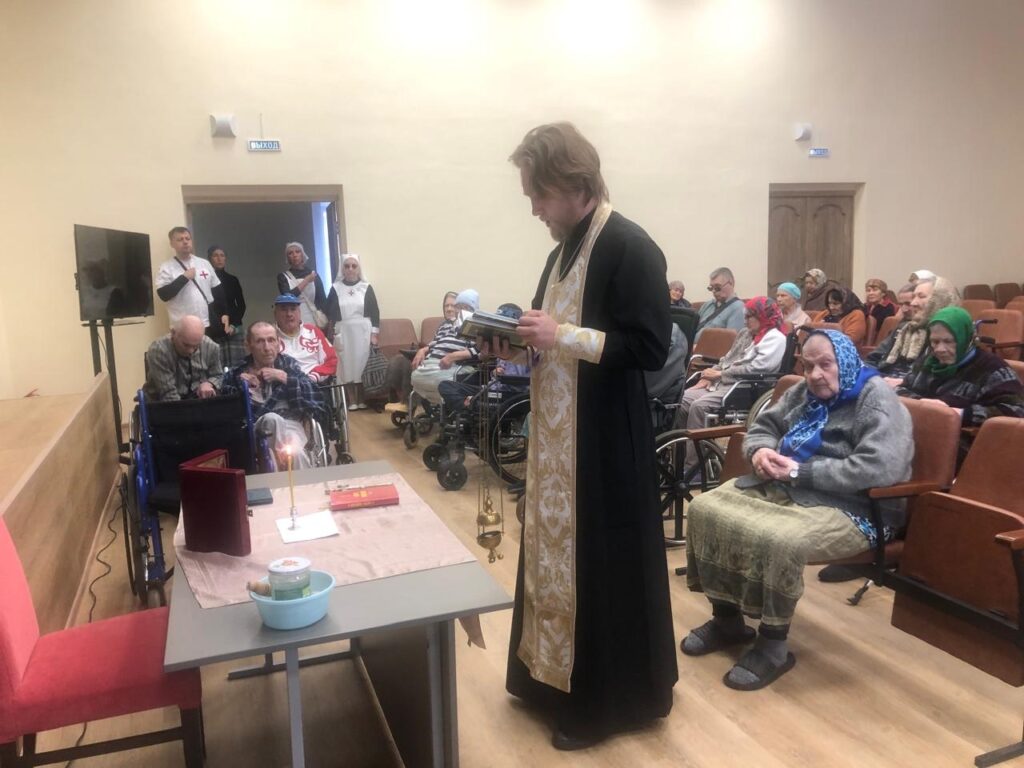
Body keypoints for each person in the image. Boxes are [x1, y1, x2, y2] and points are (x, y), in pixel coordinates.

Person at [500, 122, 676, 750]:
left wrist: (562, 337)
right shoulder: (561, 252)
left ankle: (605, 702)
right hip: (558, 442)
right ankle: (548, 681)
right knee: (553, 561)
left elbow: (651, 348)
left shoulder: (630, 245)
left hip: (604, 446)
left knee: (600, 568)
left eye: (538, 194)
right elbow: (545, 333)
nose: (534, 208)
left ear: (573, 184)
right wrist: (515, 345)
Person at [682, 330, 913, 689]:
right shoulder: (804, 391)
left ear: (846, 361)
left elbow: (880, 468)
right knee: (705, 510)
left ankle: (773, 645)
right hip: (789, 486)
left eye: (826, 364)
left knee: (781, 540)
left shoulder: (876, 398)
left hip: (858, 507)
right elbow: (764, 426)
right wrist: (760, 450)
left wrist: (798, 471)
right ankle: (727, 620)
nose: (815, 375)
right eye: (808, 366)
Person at [898, 306, 1024, 462]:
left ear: (966, 339)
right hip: (920, 433)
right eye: (935, 342)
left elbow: (1016, 410)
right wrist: (924, 405)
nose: (940, 349)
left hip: (967, 446)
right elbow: (901, 389)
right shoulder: (929, 362)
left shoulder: (992, 369)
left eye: (949, 341)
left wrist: (959, 413)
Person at [673, 297, 788, 442]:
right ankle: (681, 448)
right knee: (682, 399)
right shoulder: (746, 333)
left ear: (762, 316)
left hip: (744, 387)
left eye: (749, 317)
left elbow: (757, 369)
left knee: (698, 407)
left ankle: (695, 455)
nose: (745, 321)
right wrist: (708, 376)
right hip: (723, 382)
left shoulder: (775, 338)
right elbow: (726, 359)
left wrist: (720, 374)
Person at [221, 322, 324, 468]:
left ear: (278, 343)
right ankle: (282, 466)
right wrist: (243, 388)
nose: (267, 347)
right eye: (259, 341)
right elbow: (226, 410)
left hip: (291, 426)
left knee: (296, 453)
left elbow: (315, 396)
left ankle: (287, 474)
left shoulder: (289, 365)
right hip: (255, 430)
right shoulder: (237, 373)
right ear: (248, 346)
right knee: (272, 419)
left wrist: (285, 377)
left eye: (271, 340)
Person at [867, 276, 960, 382]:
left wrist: (904, 383)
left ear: (940, 300)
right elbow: (872, 360)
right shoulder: (904, 328)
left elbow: (938, 379)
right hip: (883, 381)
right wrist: (873, 378)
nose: (913, 303)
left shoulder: (949, 334)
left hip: (911, 389)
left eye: (921, 296)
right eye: (914, 297)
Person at [326, 254, 380, 410]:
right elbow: (330, 311)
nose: (350, 269)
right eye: (347, 266)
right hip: (343, 330)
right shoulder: (335, 288)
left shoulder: (366, 287)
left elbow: (375, 311)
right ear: (342, 269)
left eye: (354, 266)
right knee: (346, 365)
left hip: (363, 330)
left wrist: (374, 334)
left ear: (358, 268)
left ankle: (362, 399)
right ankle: (351, 401)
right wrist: (333, 331)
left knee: (362, 364)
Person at [385, 290, 458, 405]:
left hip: (446, 362)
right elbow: (435, 343)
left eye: (452, 306)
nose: (449, 309)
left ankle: (410, 404)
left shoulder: (462, 325)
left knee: (411, 364)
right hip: (432, 356)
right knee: (399, 361)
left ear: (460, 307)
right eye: (446, 306)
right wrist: (423, 350)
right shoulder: (442, 325)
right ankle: (398, 400)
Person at [409, 289, 480, 405]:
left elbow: (480, 351)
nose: (461, 311)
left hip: (455, 366)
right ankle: (437, 405)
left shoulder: (477, 326)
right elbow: (435, 343)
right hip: (432, 365)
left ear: (474, 310)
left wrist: (454, 356)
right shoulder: (446, 324)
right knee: (415, 376)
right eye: (459, 307)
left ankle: (446, 405)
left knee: (439, 380)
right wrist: (423, 350)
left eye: (466, 307)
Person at [155, 226, 223, 329]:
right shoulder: (166, 267)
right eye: (180, 239)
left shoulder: (204, 263)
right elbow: (163, 295)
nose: (185, 242)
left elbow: (217, 289)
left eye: (188, 238)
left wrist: (224, 313)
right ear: (172, 244)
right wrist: (184, 278)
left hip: (206, 323)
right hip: (181, 327)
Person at [143, 315, 223, 401]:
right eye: (186, 345)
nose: (190, 351)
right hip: (162, 402)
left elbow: (218, 375)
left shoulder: (211, 347)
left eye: (196, 346)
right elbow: (169, 394)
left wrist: (209, 383)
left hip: (198, 400)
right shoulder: (159, 350)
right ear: (173, 333)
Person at [273, 294, 337, 384]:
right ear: (275, 314)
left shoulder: (312, 331)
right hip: (285, 386)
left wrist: (313, 377)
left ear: (299, 312)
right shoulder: (270, 337)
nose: (289, 314)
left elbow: (331, 360)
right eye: (284, 310)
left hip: (316, 384)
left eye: (293, 309)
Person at [207, 245, 246, 367]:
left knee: (238, 366)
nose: (219, 258)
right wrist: (217, 326)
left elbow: (241, 305)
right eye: (215, 255)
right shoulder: (206, 280)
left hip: (234, 329)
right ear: (209, 259)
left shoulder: (233, 280)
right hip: (214, 329)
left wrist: (233, 325)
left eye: (222, 255)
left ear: (225, 259)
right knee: (216, 366)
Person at [276, 242, 328, 330]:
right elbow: (288, 297)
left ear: (303, 255)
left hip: (313, 315)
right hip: (292, 316)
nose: (294, 255)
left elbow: (322, 299)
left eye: (297, 251)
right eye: (290, 253)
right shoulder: (283, 277)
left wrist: (327, 318)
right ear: (287, 258)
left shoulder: (313, 274)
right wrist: (306, 280)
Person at [695, 267, 744, 340]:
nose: (714, 291)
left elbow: (731, 342)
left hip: (708, 347)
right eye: (711, 288)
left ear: (731, 283)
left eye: (717, 287)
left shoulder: (738, 308)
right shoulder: (707, 305)